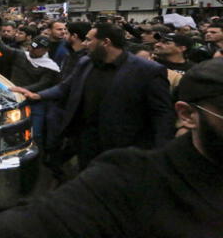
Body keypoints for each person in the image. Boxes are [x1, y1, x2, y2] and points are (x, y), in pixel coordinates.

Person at [0, 58, 223, 238]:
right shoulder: (131, 182)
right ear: (188, 114)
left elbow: (159, 113)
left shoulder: (143, 70)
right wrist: (38, 95)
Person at [14, 23, 175, 170]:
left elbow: (162, 114)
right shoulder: (86, 62)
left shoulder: (147, 71)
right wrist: (38, 95)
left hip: (123, 146)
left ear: (105, 42)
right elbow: (66, 87)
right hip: (85, 141)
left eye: (89, 40)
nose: (84, 44)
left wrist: (159, 154)